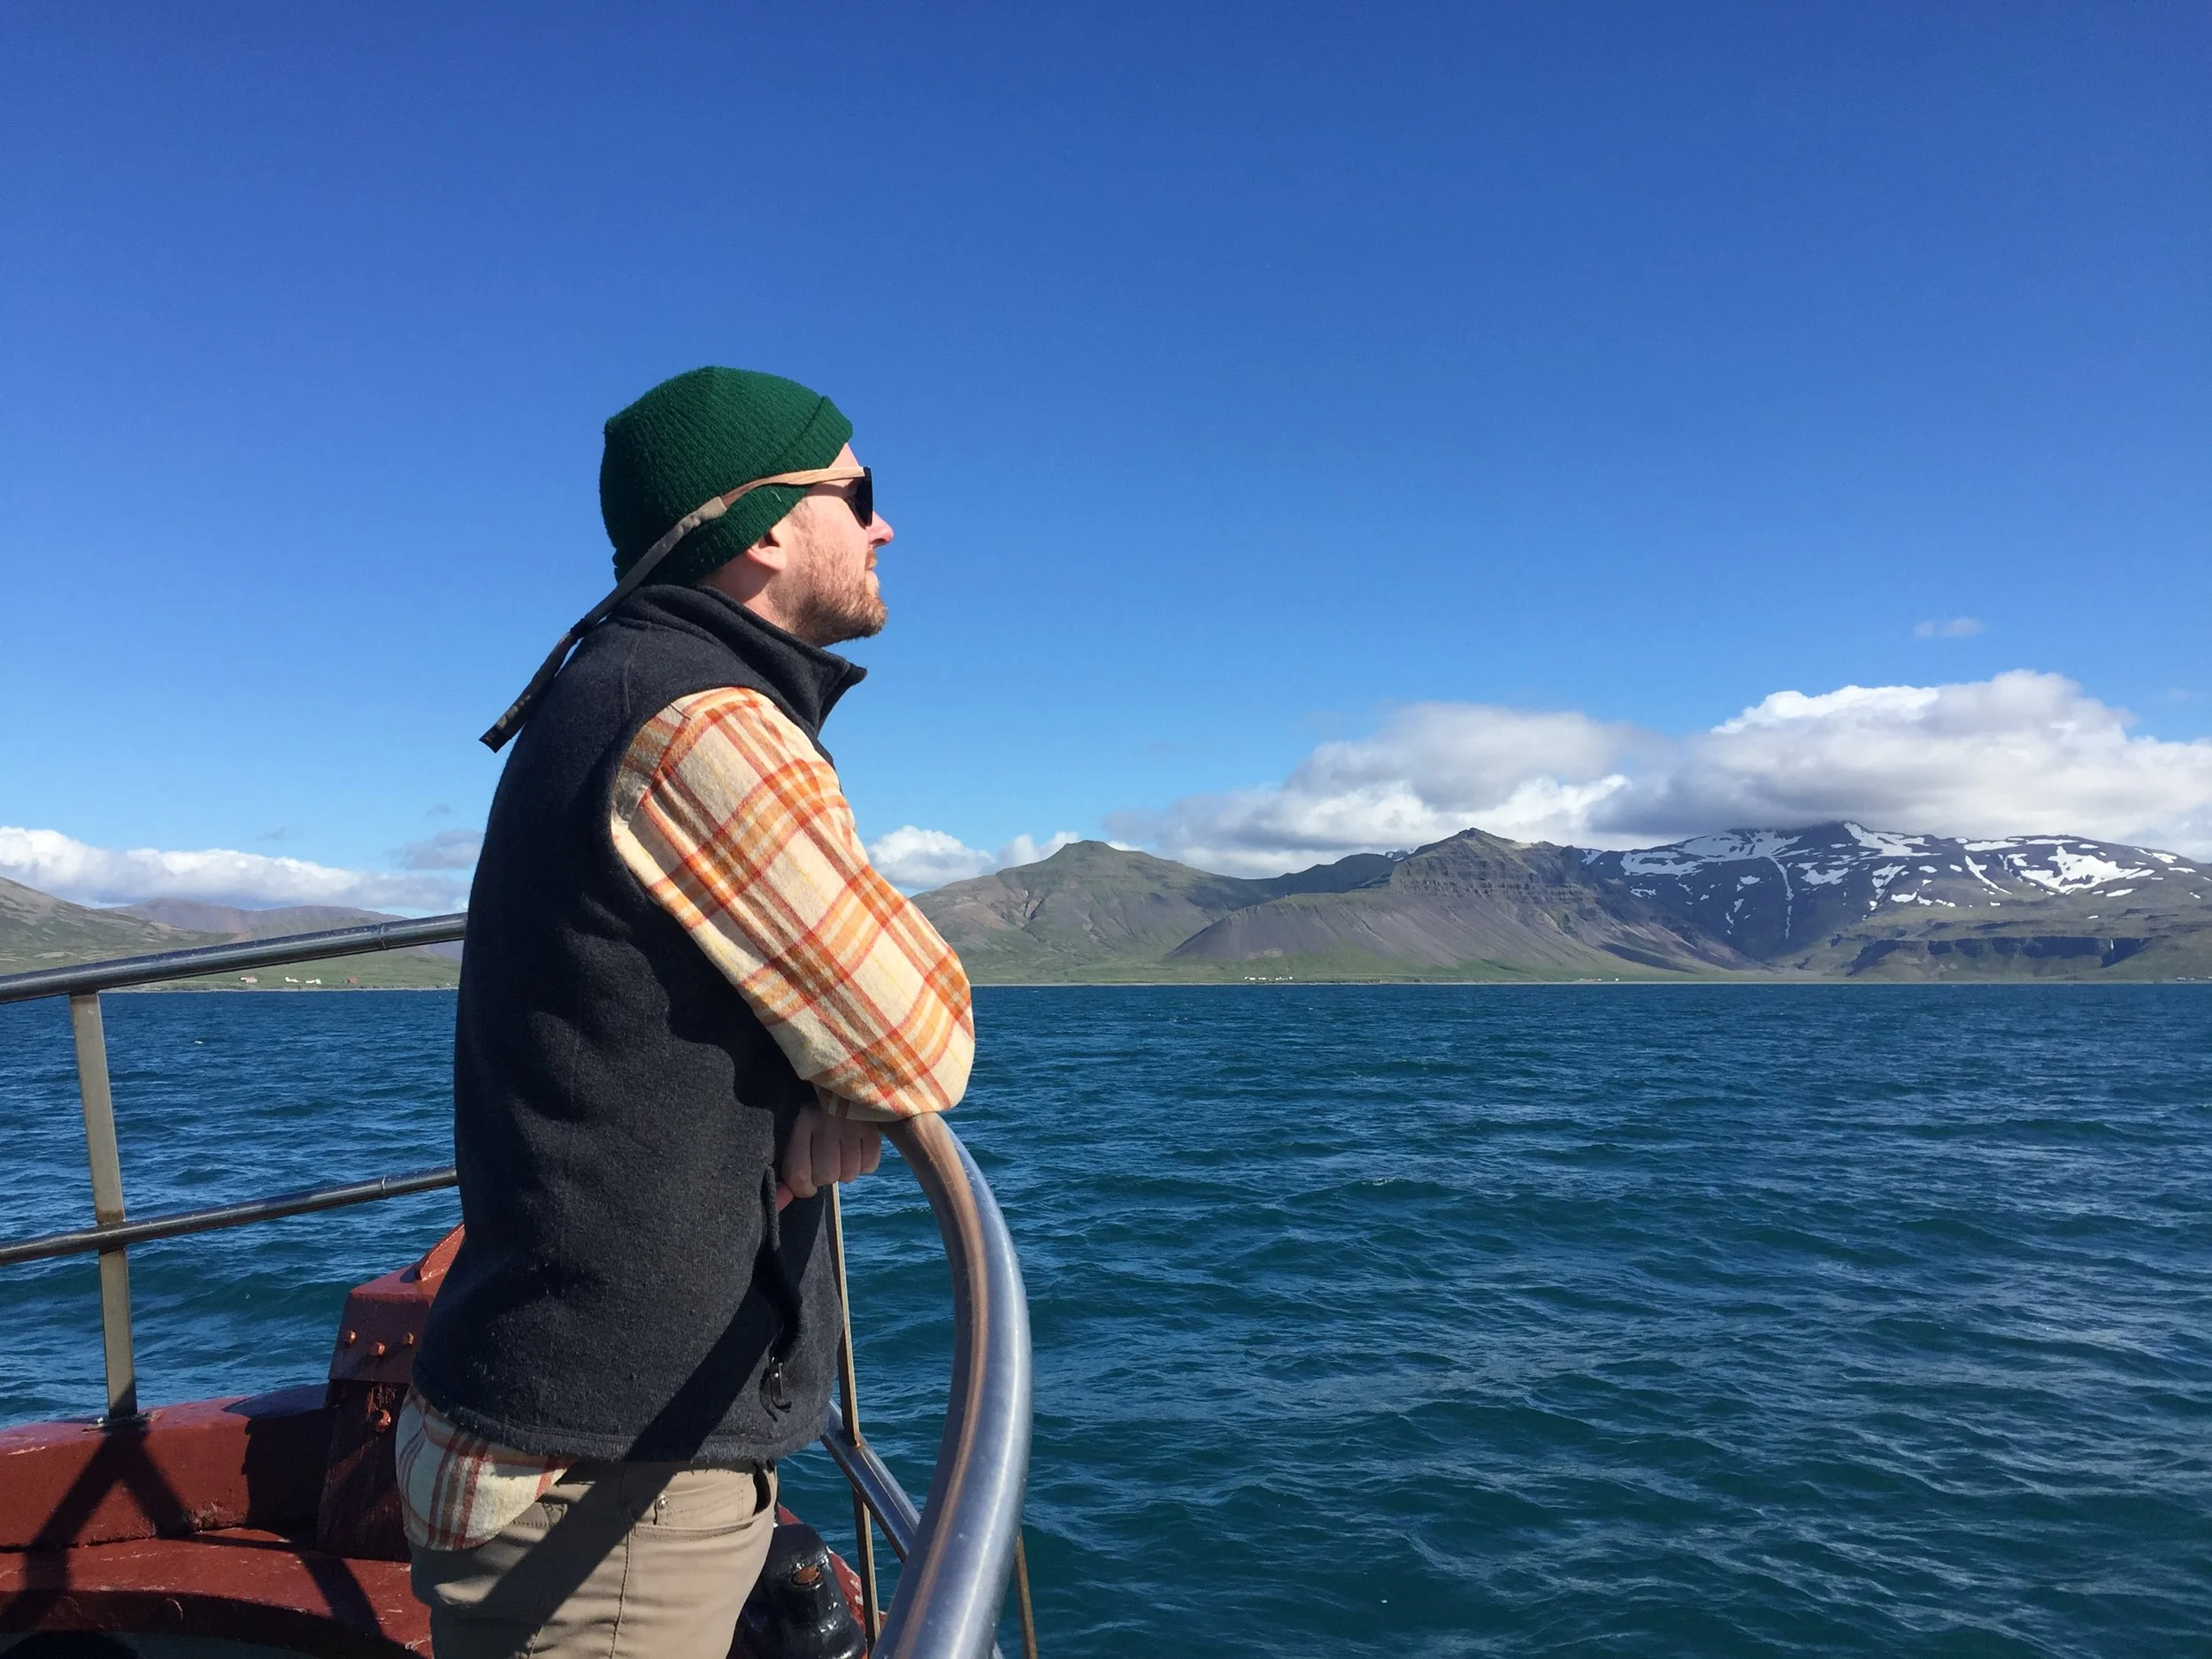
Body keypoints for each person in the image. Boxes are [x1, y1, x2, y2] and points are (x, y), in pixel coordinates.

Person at [402, 366, 974, 1658]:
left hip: (572, 1438)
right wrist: (854, 1069)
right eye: (861, 492)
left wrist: (819, 1082)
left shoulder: (615, 683)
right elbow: (925, 1035)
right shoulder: (700, 718)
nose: (885, 526)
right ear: (763, 525)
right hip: (611, 1489)